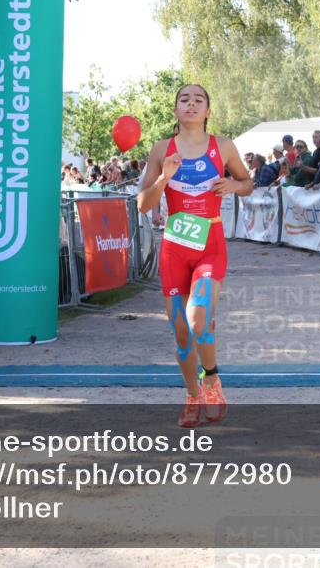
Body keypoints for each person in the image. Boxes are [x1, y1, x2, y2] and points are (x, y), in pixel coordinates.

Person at [137, 84, 253, 427]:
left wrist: (233, 186)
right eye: (184, 100)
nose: (190, 104)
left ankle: (212, 381)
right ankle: (192, 395)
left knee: (198, 318)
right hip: (174, 248)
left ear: (207, 111)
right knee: (182, 333)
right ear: (175, 110)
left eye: (198, 100)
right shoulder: (161, 150)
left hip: (210, 245)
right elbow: (144, 204)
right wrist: (164, 178)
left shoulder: (223, 146)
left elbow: (247, 183)